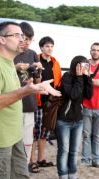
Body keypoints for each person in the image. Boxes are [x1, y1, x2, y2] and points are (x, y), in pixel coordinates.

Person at [0, 21, 60, 179]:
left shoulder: (10, 63)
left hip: (14, 136)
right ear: (2, 39)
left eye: (24, 36)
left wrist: (34, 85)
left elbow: (15, 92)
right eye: (17, 35)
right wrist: (27, 90)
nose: (23, 39)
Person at [56, 55, 92, 179]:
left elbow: (89, 95)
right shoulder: (67, 77)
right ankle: (63, 178)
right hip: (64, 120)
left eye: (86, 66)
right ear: (76, 65)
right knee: (63, 150)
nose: (84, 68)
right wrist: (78, 77)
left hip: (78, 119)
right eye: (82, 65)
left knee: (74, 150)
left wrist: (88, 78)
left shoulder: (83, 78)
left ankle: (73, 176)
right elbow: (73, 94)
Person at [13, 22, 42, 174]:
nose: (26, 42)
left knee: (27, 144)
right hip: (13, 106)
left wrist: (37, 72)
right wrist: (15, 68)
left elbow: (36, 82)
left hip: (30, 105)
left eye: (30, 39)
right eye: (24, 38)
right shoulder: (11, 53)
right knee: (13, 147)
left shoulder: (32, 54)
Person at [32, 36, 62, 168]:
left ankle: (41, 159)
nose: (49, 48)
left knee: (45, 132)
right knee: (35, 132)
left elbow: (58, 82)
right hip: (38, 101)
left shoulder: (55, 63)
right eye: (47, 46)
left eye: (51, 46)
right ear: (41, 48)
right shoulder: (36, 61)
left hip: (50, 103)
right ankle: (32, 161)